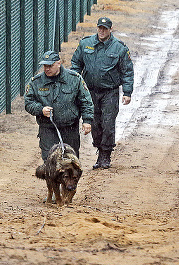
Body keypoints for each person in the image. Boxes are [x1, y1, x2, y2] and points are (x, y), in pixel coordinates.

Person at [70, 16, 134, 170]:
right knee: (94, 123)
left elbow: (127, 71)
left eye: (105, 29)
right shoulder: (86, 44)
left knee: (108, 122)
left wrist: (127, 91)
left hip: (109, 92)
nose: (102, 31)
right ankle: (99, 147)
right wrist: (74, 85)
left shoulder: (119, 48)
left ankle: (105, 154)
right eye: (100, 28)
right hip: (90, 91)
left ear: (110, 30)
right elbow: (76, 64)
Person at [24, 50, 94, 163]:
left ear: (59, 63)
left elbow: (86, 101)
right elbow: (28, 102)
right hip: (47, 128)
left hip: (70, 127)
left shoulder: (74, 79)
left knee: (71, 162)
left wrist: (87, 121)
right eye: (44, 66)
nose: (47, 69)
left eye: (50, 66)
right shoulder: (36, 82)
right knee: (50, 161)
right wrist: (40, 109)